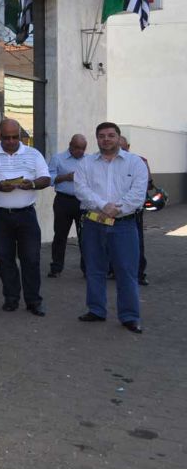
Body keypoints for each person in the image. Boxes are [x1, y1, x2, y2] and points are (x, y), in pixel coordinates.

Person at [76, 123, 148, 333]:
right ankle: (96, 310)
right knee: (94, 269)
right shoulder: (86, 163)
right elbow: (81, 189)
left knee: (126, 271)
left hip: (124, 225)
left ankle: (130, 316)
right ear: (96, 139)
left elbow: (138, 193)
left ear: (118, 137)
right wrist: (103, 206)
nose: (106, 139)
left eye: (110, 135)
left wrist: (117, 209)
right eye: (101, 136)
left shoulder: (135, 163)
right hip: (93, 224)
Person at [0, 119, 51, 315]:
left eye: (14, 137)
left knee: (31, 258)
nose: (10, 141)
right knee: (4, 258)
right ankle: (11, 298)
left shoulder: (33, 154)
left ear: (20, 136)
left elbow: (46, 178)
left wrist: (32, 184)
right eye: (6, 137)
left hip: (26, 214)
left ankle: (33, 301)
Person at [47, 134, 87, 278]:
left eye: (83, 148)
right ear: (70, 145)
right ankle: (56, 267)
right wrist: (66, 177)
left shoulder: (89, 160)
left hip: (83, 202)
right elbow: (49, 179)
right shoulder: (58, 159)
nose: (80, 151)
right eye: (77, 148)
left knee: (85, 236)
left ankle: (87, 269)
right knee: (60, 235)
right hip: (63, 201)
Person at [119, 136, 151, 286]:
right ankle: (113, 270)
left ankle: (139, 273)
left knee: (136, 242)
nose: (121, 152)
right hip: (110, 210)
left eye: (123, 148)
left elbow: (147, 184)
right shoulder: (107, 161)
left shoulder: (139, 161)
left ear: (129, 146)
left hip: (132, 211)